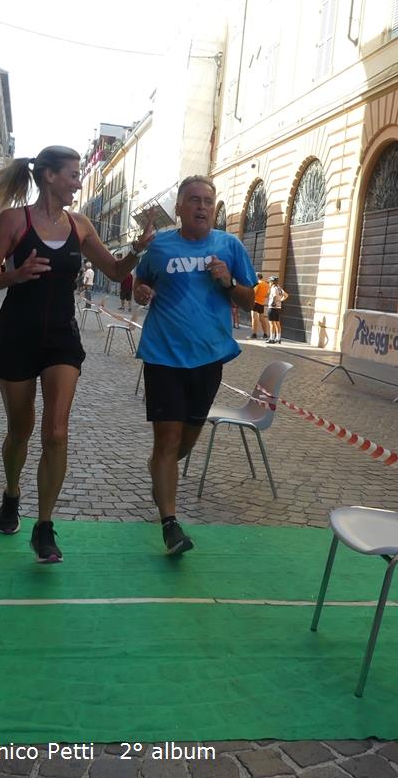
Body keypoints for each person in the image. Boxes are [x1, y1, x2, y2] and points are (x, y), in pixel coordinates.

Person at [0, 145, 155, 563]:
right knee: (20, 430)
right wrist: (16, 276)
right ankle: (11, 492)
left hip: (61, 338)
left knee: (56, 431)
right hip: (16, 336)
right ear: (49, 176)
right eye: (73, 175)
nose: (78, 183)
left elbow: (115, 271)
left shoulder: (80, 225)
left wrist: (137, 250)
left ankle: (44, 526)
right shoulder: (14, 221)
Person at [133, 175, 256, 555]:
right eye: (194, 200)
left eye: (207, 201)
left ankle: (160, 469)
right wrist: (141, 292)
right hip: (163, 354)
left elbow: (250, 300)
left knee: (184, 443)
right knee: (168, 441)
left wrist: (228, 282)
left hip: (209, 357)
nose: (202, 207)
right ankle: (170, 524)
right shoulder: (160, 247)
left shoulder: (229, 246)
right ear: (180, 207)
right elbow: (139, 285)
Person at [266, 276, 289, 344]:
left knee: (271, 324)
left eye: (270, 282)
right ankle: (278, 338)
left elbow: (274, 296)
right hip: (278, 308)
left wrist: (273, 302)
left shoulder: (273, 288)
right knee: (277, 323)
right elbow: (286, 295)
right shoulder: (279, 288)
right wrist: (280, 301)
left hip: (272, 308)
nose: (269, 283)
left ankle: (272, 338)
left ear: (272, 282)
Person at [250, 273, 270, 340]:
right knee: (262, 319)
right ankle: (265, 334)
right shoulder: (266, 284)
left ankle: (254, 334)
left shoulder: (257, 283)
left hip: (255, 302)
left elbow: (254, 293)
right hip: (261, 303)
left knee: (254, 318)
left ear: (256, 277)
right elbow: (267, 295)